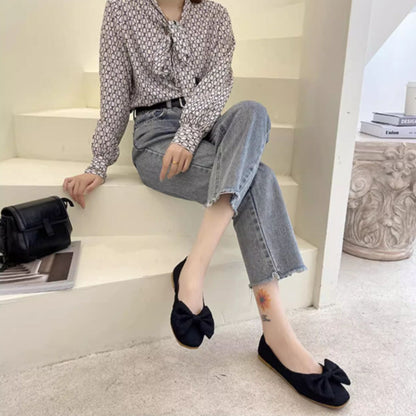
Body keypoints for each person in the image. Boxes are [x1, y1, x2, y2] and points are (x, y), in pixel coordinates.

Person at [63, 0, 351, 408]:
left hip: (209, 126)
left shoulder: (214, 15)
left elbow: (217, 84)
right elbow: (114, 92)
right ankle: (278, 335)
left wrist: (189, 134)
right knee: (259, 177)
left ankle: (193, 270)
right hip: (155, 136)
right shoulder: (122, 10)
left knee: (253, 112)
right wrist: (99, 162)